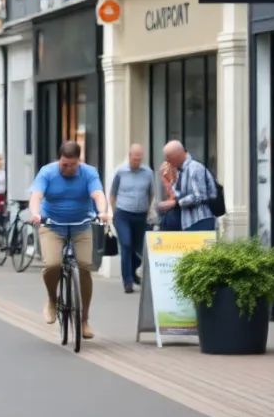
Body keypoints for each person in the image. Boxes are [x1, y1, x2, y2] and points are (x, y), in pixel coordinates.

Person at [28, 141, 110, 340]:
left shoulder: (89, 173)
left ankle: (84, 321)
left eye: (72, 165)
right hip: (52, 225)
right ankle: (51, 299)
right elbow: (36, 196)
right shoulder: (47, 172)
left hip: (81, 225)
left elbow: (98, 194)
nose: (68, 168)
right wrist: (35, 213)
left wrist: (103, 212)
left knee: (84, 267)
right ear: (59, 160)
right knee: (52, 264)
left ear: (79, 161)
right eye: (64, 164)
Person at [109, 144, 154, 293]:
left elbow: (151, 193)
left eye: (140, 159)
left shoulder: (148, 172)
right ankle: (127, 281)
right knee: (126, 244)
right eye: (135, 159)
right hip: (123, 214)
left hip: (140, 214)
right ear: (129, 156)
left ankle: (135, 274)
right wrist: (115, 212)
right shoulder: (120, 172)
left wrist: (149, 212)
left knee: (137, 247)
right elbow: (112, 194)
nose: (137, 161)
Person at [157, 140, 218, 232]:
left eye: (168, 158)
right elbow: (176, 195)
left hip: (200, 220)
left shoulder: (194, 169)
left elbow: (198, 196)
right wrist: (168, 179)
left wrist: (176, 203)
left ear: (175, 156)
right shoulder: (180, 171)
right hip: (187, 221)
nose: (167, 162)